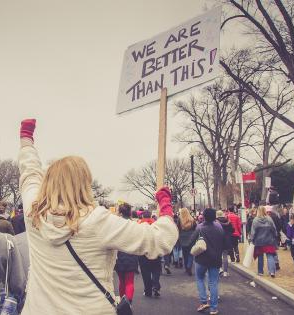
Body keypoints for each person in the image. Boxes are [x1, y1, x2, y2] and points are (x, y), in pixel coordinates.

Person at [18, 119, 178, 314]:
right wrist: (165, 205)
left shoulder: (33, 213)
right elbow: (159, 240)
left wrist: (26, 140)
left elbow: (29, 173)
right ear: (84, 183)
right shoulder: (97, 221)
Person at [186, 208, 226, 315]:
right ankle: (213, 308)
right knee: (213, 283)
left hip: (201, 258)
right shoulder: (219, 228)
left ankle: (203, 302)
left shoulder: (200, 228)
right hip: (215, 258)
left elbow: (191, 241)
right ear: (215, 216)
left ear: (203, 216)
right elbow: (225, 244)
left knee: (199, 278)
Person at [114, 203, 138, 303]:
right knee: (129, 282)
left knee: (122, 281)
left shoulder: (116, 224)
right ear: (130, 212)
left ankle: (122, 301)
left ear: (120, 212)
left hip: (119, 255)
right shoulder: (134, 224)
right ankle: (128, 303)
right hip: (131, 254)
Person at [251, 206, 277, 277]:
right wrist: (275, 236)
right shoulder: (269, 219)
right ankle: (272, 272)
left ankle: (260, 272)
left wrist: (252, 239)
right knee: (270, 256)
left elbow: (253, 232)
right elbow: (274, 229)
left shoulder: (255, 220)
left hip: (259, 241)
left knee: (260, 256)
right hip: (269, 240)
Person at [178, 208, 197, 275]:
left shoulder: (179, 220)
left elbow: (178, 229)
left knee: (185, 254)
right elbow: (195, 228)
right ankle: (189, 266)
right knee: (191, 253)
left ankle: (186, 268)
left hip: (183, 237)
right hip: (191, 237)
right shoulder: (192, 220)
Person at [216, 210, 233, 277]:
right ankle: (225, 272)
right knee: (225, 256)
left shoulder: (216, 222)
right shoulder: (228, 221)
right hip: (226, 240)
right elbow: (232, 230)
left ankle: (220, 269)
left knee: (219, 256)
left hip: (218, 240)